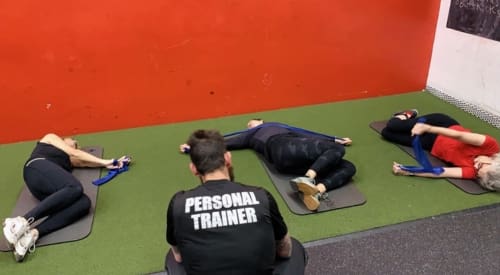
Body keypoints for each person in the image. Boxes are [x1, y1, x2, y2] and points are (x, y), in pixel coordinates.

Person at [168, 129, 306, 275]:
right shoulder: (260, 196)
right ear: (227, 158)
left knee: (172, 257)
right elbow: (285, 251)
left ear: (194, 169)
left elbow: (178, 256)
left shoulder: (179, 203)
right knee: (293, 247)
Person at [2, 133, 130, 262]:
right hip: (35, 167)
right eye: (73, 141)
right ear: (64, 140)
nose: (75, 144)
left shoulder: (69, 160)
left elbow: (83, 162)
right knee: (75, 187)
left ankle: (32, 234)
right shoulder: (50, 138)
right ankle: (19, 222)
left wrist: (108, 165)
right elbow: (74, 153)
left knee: (84, 203)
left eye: (77, 145)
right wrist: (106, 160)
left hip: (45, 189)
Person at [179, 119, 356, 211]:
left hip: (287, 161)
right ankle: (308, 178)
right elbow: (223, 143)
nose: (249, 126)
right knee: (334, 151)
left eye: (252, 123)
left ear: (261, 121)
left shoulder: (275, 125)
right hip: (282, 147)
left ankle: (317, 191)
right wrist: (192, 147)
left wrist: (335, 139)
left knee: (348, 167)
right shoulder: (251, 134)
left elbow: (309, 135)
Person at [381, 110, 500, 190]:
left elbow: (440, 172)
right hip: (441, 125)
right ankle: (407, 114)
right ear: (492, 161)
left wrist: (408, 171)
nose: (475, 166)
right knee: (394, 125)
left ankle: (407, 121)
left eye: (478, 174)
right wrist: (428, 128)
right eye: (480, 166)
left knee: (387, 133)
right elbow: (459, 136)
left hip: (431, 144)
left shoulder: (473, 172)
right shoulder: (490, 145)